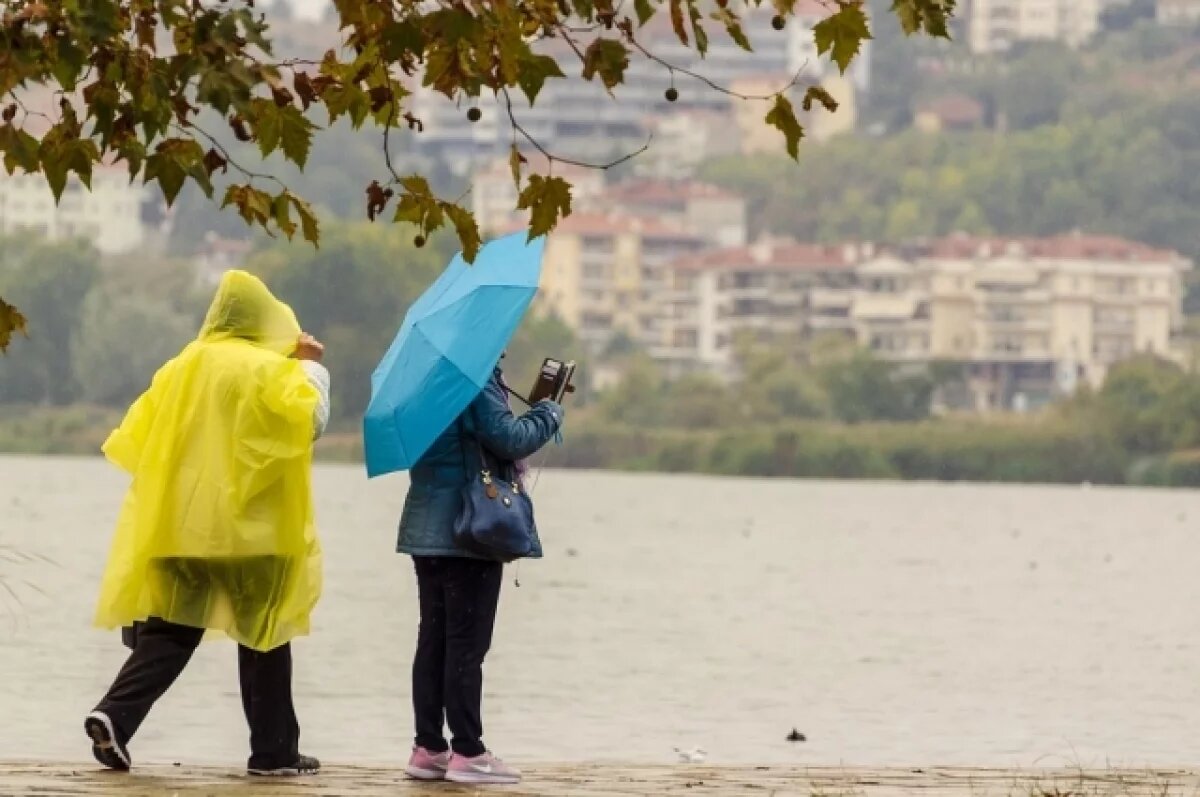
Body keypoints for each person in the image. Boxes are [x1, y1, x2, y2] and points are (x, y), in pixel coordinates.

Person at [84, 271, 330, 777]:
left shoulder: (182, 365)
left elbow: (136, 437)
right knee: (263, 634)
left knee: (169, 631)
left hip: (181, 527)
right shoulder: (270, 369)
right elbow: (309, 422)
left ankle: (114, 715)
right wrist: (309, 370)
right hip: (253, 531)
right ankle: (273, 752)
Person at [398, 362, 563, 785]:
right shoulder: (473, 373)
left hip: (426, 526)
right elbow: (508, 439)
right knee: (466, 644)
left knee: (434, 638)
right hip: (470, 529)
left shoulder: (423, 376)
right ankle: (468, 751)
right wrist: (548, 411)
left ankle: (429, 747)